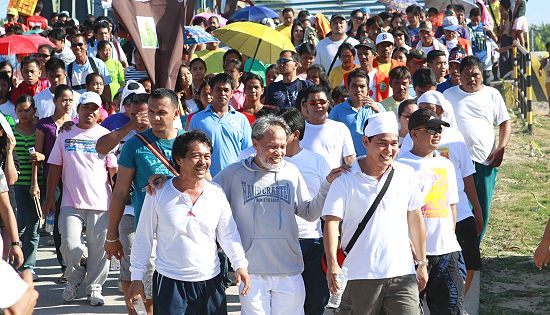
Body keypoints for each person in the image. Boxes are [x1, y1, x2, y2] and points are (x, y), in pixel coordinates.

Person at [212, 114, 344, 314]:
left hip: (289, 269)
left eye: (282, 146)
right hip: (252, 272)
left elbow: (308, 213)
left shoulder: (291, 171)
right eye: (272, 146)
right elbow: (204, 194)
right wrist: (166, 181)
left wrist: (326, 185)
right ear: (255, 144)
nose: (279, 152)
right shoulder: (233, 173)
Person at [128, 131, 250, 314]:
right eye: (195, 156)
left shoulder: (216, 193)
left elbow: (228, 234)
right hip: (170, 283)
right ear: (179, 159)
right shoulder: (158, 192)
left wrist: (240, 265)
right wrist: (136, 278)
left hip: (211, 280)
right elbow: (143, 238)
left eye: (207, 156)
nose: (203, 162)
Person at [323, 111, 428, 315]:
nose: (389, 150)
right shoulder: (345, 178)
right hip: (359, 274)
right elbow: (332, 223)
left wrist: (422, 262)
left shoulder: (405, 174)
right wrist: (332, 264)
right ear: (365, 141)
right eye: (382, 143)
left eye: (394, 143)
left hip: (402, 273)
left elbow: (415, 219)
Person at [104, 88, 183, 314]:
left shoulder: (188, 142)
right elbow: (119, 192)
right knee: (146, 295)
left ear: (175, 112)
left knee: (175, 295)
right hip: (147, 231)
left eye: (162, 112)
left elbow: (203, 184)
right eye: (151, 112)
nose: (156, 118)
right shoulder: (134, 145)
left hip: (182, 232)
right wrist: (111, 235)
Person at [43, 91, 117, 306]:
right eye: (86, 107)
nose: (90, 112)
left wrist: (120, 204)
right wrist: (49, 198)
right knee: (69, 244)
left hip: (101, 203)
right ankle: (73, 279)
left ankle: (95, 286)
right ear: (79, 109)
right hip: (70, 202)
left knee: (99, 248)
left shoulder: (105, 135)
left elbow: (113, 172)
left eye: (94, 108)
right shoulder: (65, 135)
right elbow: (55, 168)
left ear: (99, 111)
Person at [397, 108, 464, 314]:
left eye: (439, 129)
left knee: (451, 309)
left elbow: (452, 206)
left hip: (446, 253)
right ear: (414, 134)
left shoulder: (446, 164)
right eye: (431, 129)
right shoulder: (399, 165)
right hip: (410, 256)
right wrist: (412, 250)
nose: (437, 133)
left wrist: (449, 239)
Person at [444, 56, 511, 241]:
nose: (471, 79)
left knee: (482, 206)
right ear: (459, 75)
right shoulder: (448, 95)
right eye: (467, 75)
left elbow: (505, 122)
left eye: (475, 75)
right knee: (458, 204)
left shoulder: (492, 94)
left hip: (485, 160)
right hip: (456, 162)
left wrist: (501, 148)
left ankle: (475, 250)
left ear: (482, 75)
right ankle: (460, 249)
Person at [33, 84, 76, 283]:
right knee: (61, 221)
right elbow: (39, 154)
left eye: (70, 100)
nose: (67, 104)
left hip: (75, 178)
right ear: (55, 101)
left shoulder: (77, 123)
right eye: (63, 100)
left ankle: (78, 261)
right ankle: (65, 266)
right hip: (53, 178)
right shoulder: (44, 124)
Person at [189, 74, 251, 177]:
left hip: (236, 177)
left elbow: (248, 151)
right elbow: (190, 150)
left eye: (226, 90)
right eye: (218, 89)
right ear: (212, 91)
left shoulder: (241, 119)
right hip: (206, 178)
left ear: (232, 93)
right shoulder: (197, 119)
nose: (222, 93)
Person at [13, 96, 42, 278]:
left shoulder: (40, 130)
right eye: (20, 110)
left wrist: (35, 183)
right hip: (13, 185)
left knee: (33, 227)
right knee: (18, 227)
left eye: (27, 110)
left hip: (35, 185)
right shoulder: (10, 131)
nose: (24, 114)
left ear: (34, 110)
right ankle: (15, 264)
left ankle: (29, 266)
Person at [329, 69, 384, 157]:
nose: (358, 90)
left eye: (362, 86)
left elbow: (387, 132)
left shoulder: (378, 108)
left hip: (373, 161)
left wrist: (377, 111)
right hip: (347, 163)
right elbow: (329, 136)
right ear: (348, 88)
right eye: (354, 86)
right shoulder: (337, 110)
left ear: (368, 88)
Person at [301, 85, 356, 168]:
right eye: (313, 103)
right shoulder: (298, 130)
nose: (318, 105)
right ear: (305, 105)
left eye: (322, 102)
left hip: (336, 180)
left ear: (328, 104)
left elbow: (350, 159)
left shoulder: (341, 128)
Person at [67, 34, 112, 100]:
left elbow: (106, 87)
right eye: (74, 45)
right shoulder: (68, 69)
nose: (77, 47)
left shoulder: (98, 64)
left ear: (86, 46)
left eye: (80, 44)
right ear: (71, 48)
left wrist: (108, 106)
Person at [353, 37, 390, 103]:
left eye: (366, 53)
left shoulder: (383, 77)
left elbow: (387, 100)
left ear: (375, 55)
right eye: (360, 54)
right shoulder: (350, 77)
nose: (363, 57)